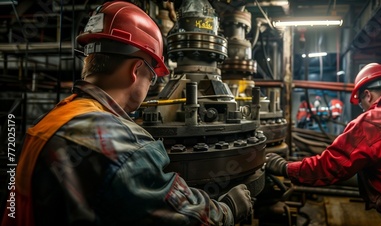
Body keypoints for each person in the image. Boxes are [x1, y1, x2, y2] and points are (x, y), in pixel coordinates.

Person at [2, 2, 252, 226]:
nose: (151, 86)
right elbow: (188, 218)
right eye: (152, 77)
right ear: (136, 70)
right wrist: (229, 208)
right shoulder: (123, 145)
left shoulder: (50, 120)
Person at [266, 63, 381, 225]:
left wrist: (286, 168)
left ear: (368, 95)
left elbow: (330, 166)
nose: (363, 109)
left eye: (361, 103)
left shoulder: (370, 121)